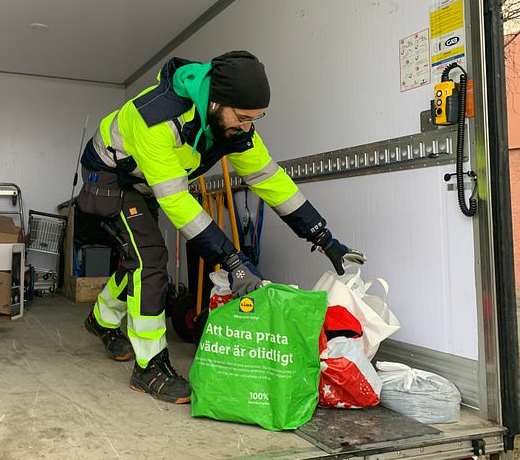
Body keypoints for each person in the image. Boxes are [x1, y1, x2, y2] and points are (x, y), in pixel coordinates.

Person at [75, 50, 365, 404]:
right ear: (214, 102)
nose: (246, 127)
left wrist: (322, 235)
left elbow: (267, 177)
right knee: (150, 260)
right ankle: (149, 366)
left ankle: (101, 320)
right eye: (242, 118)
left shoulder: (229, 125)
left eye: (254, 119)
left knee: (136, 258)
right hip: (109, 179)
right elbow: (177, 200)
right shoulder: (155, 117)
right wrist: (231, 260)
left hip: (142, 182)